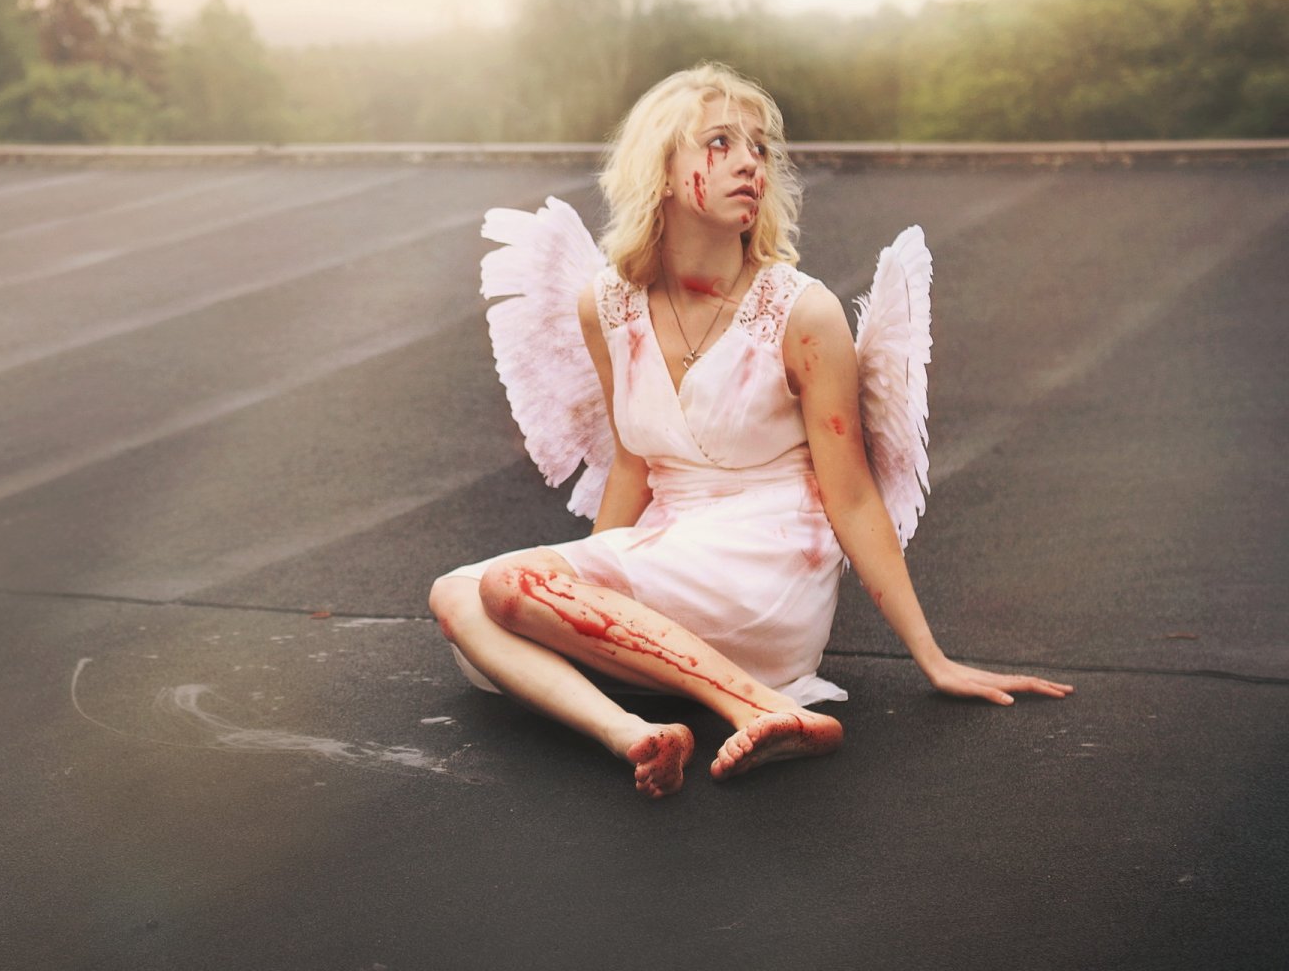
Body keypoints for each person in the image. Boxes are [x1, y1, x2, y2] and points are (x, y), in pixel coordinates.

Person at [426, 62, 1072, 798]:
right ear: (662, 171)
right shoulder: (605, 305)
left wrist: (933, 657)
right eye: (720, 143)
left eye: (759, 147)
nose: (749, 163)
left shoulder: (802, 313)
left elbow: (852, 496)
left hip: (767, 570)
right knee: (456, 596)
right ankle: (634, 735)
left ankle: (758, 704)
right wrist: (588, 581)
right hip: (673, 548)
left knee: (508, 590)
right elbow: (633, 464)